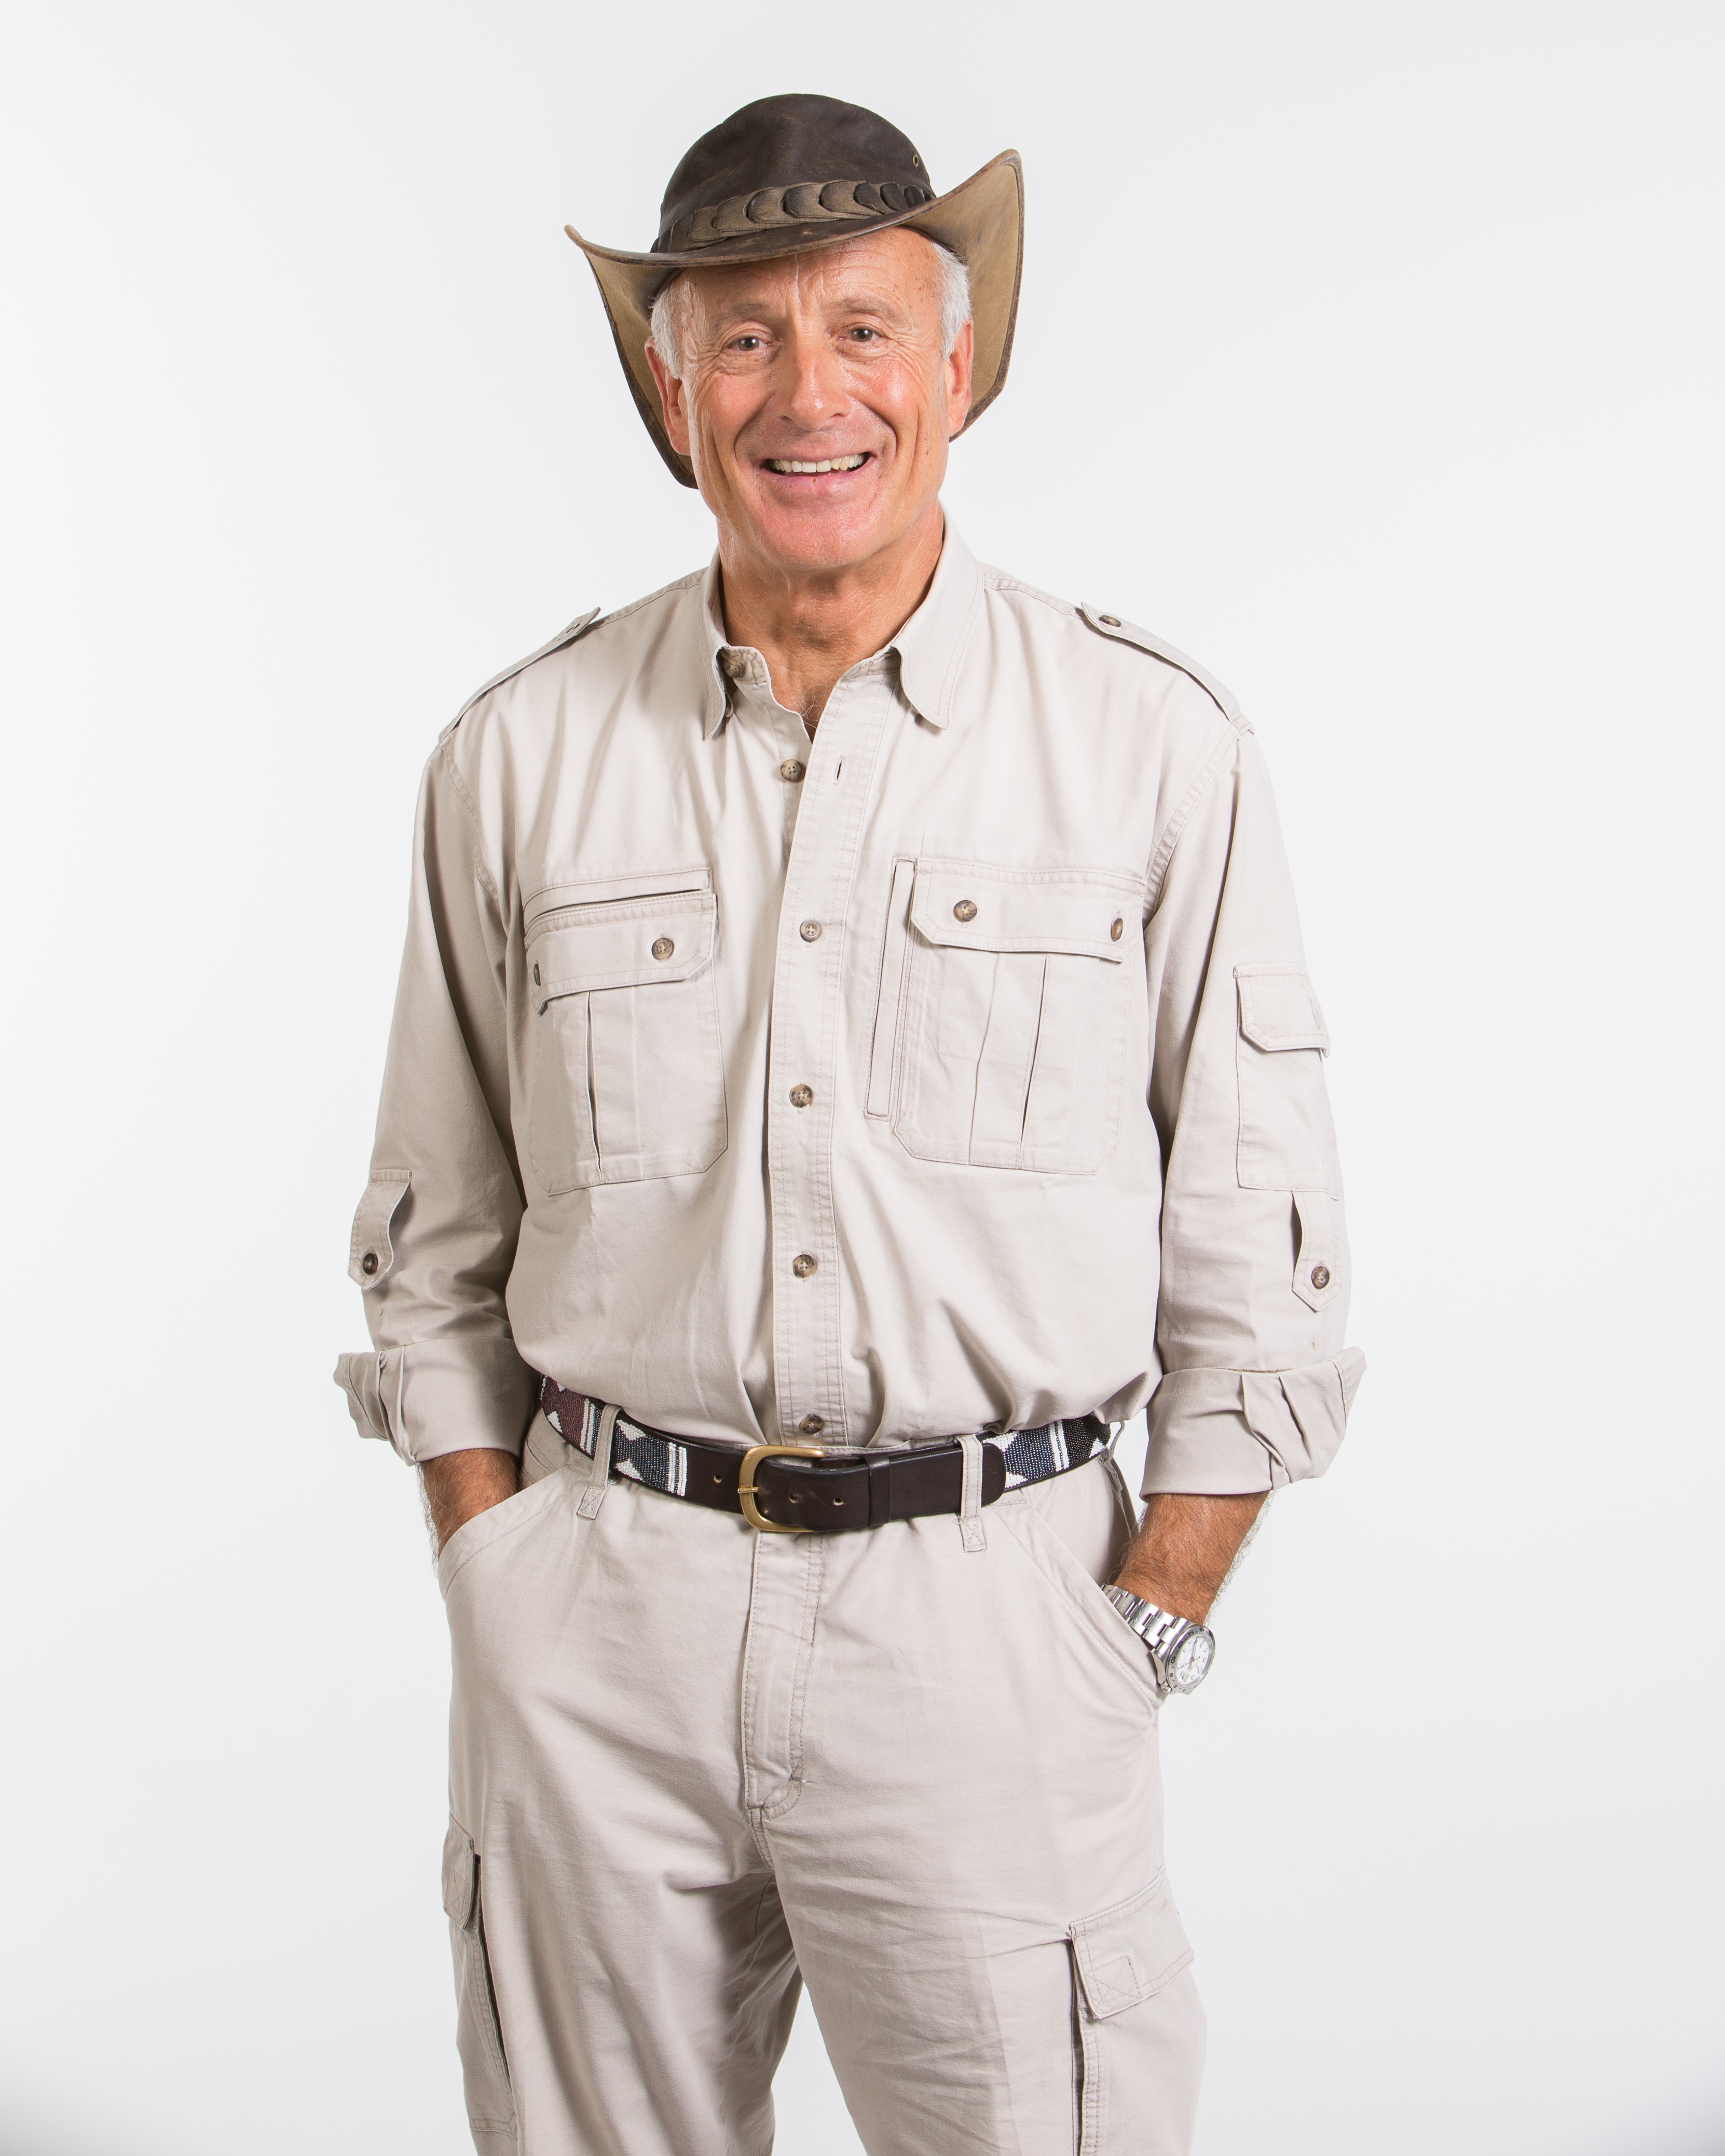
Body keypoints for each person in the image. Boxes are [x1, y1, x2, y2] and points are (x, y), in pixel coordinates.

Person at [337, 90, 1364, 2156]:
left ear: (958, 364)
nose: (810, 393)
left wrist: (1141, 1617)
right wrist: (501, 1569)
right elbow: (432, 1231)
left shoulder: (1154, 750)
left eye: (865, 330)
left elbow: (1264, 1251)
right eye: (743, 338)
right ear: (670, 386)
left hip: (988, 1631)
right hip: (597, 1622)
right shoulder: (517, 756)